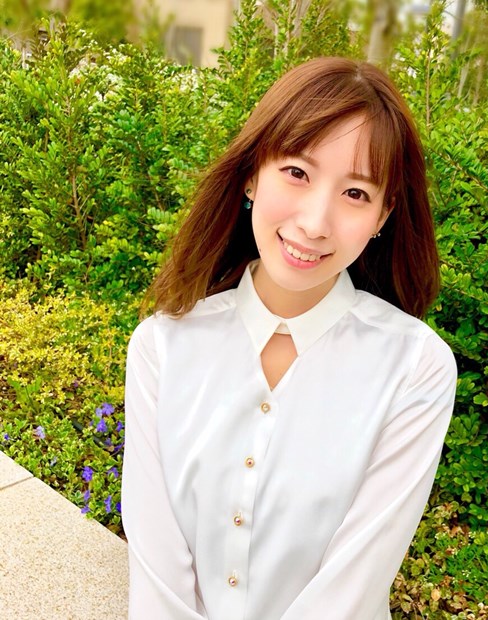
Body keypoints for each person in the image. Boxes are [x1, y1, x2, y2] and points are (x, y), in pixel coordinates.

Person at [121, 56, 457, 620]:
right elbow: (159, 579)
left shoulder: (415, 367)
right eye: (298, 172)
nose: (315, 223)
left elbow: (351, 588)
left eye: (356, 193)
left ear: (384, 215)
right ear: (253, 173)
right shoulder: (163, 347)